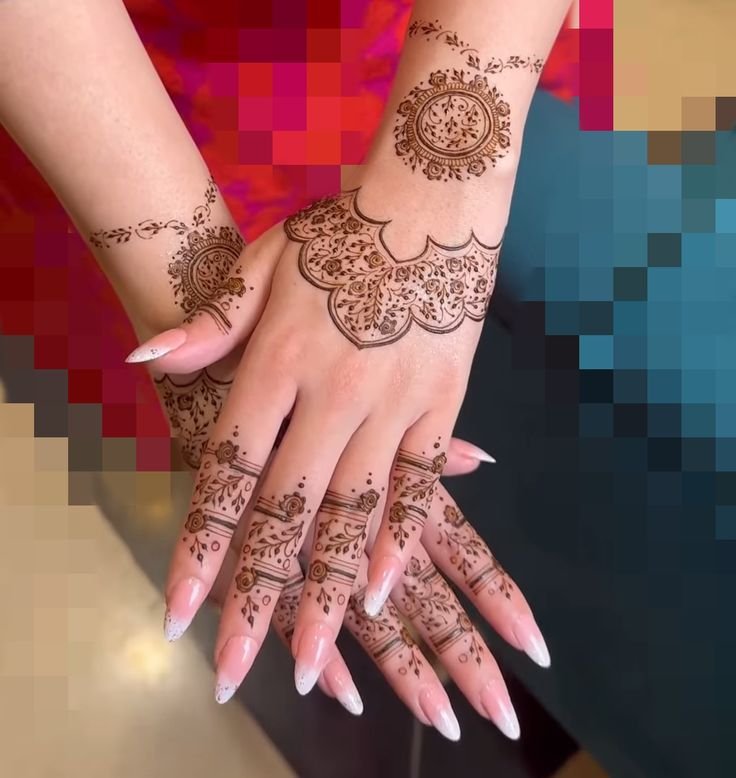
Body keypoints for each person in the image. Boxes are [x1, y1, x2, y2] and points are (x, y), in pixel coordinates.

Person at [0, 0, 569, 742]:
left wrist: (441, 185)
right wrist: (199, 304)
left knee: (363, 425)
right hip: (82, 95)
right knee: (278, 443)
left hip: (431, 35)